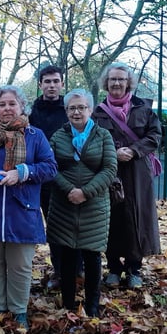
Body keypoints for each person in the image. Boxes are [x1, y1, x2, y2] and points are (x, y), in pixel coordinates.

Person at [0, 85, 57, 329]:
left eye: (11, 104)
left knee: (21, 265)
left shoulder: (35, 136)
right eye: (2, 104)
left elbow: (50, 167)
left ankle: (18, 311)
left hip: (22, 210)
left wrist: (23, 172)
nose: (7, 109)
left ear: (21, 106)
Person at [92, 62, 162, 289]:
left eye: (121, 79)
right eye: (112, 79)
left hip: (137, 171)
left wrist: (133, 150)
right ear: (106, 82)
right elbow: (93, 139)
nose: (117, 83)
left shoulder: (143, 108)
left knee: (136, 217)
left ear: (128, 82)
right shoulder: (97, 112)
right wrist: (113, 151)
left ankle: (134, 268)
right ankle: (113, 267)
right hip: (110, 170)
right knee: (111, 217)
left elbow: (155, 135)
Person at [47, 89, 117, 317]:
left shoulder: (103, 136)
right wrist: (70, 190)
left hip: (94, 205)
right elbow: (50, 167)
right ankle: (68, 303)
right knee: (66, 254)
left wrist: (85, 192)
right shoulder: (58, 136)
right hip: (64, 204)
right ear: (66, 111)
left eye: (81, 107)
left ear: (90, 109)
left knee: (92, 255)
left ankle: (92, 305)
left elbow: (110, 169)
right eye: (71, 108)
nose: (76, 112)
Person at [28, 66, 69, 291]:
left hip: (68, 176)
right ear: (40, 84)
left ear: (62, 84)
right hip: (41, 178)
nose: (51, 85)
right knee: (52, 227)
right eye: (47, 81)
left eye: (55, 81)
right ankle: (60, 271)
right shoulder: (33, 111)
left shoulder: (70, 108)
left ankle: (77, 269)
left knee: (72, 225)